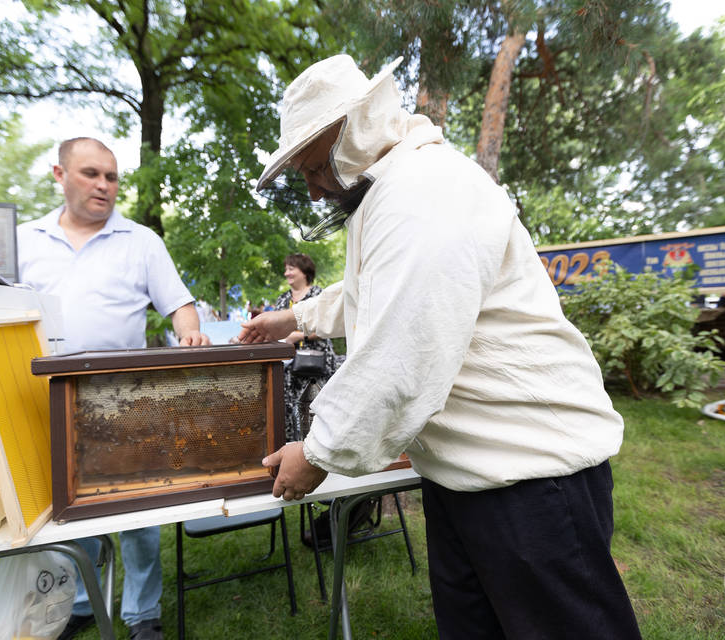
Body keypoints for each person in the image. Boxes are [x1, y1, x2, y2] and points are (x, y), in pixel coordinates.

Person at [238, 55, 642, 639]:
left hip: (530, 478)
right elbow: (372, 296)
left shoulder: (422, 192)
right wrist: (294, 316)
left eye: (313, 166)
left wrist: (318, 452)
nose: (313, 187)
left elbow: (401, 356)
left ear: (353, 130)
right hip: (471, 481)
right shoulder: (396, 192)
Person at [17, 137, 209, 640]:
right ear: (59, 175)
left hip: (126, 401)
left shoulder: (141, 240)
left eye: (112, 176)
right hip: (44, 401)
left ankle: (143, 615)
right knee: (66, 514)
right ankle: (80, 600)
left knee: (140, 515)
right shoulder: (23, 241)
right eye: (90, 174)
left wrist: (189, 334)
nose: (104, 185)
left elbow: (179, 304)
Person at [274, 253, 337, 440]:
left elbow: (328, 326)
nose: (286, 273)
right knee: (290, 410)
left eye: (291, 269)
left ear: (304, 271)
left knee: (318, 409)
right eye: (286, 269)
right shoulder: (282, 299)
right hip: (289, 369)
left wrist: (297, 335)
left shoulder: (319, 295)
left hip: (317, 365)